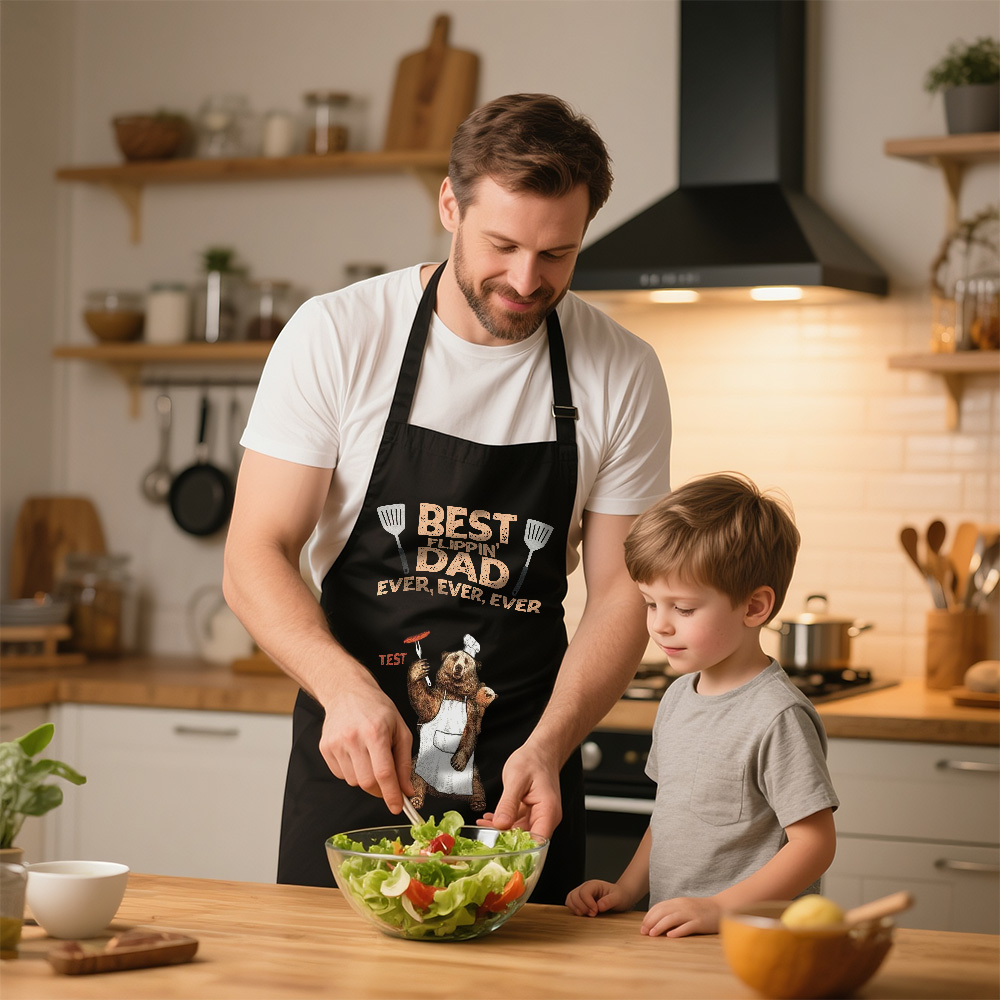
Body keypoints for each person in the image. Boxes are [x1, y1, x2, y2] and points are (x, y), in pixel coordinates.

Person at [222, 93, 671, 904]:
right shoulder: (338, 335)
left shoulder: (621, 370)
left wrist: (550, 746)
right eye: (503, 245)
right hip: (357, 756)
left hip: (524, 771)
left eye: (558, 254)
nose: (526, 281)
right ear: (450, 206)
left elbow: (620, 595)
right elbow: (255, 553)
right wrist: (343, 690)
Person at [565, 472, 839, 934]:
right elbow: (669, 817)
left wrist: (720, 908)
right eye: (651, 603)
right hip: (681, 936)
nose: (660, 625)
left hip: (754, 939)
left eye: (684, 609)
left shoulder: (778, 716)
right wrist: (628, 889)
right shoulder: (677, 698)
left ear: (754, 607)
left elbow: (814, 846)